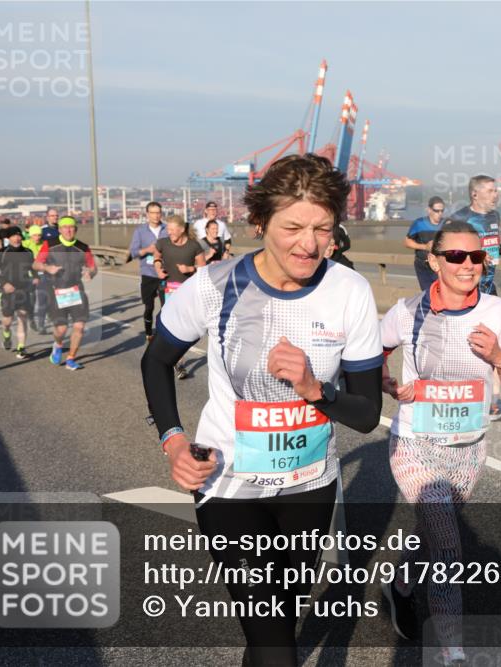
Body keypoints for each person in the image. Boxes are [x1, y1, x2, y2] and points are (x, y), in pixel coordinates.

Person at [140, 153, 383, 667]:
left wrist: (315, 389)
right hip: (228, 483)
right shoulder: (215, 285)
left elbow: (365, 415)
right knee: (273, 637)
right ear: (259, 222)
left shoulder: (350, 291)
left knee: (278, 623)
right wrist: (173, 440)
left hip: (309, 484)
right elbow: (156, 360)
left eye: (322, 228)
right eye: (292, 227)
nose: (309, 244)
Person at [378, 220, 501, 665]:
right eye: (456, 256)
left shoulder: (496, 311)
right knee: (447, 547)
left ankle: (400, 585)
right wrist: (386, 382)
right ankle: (452, 652)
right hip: (415, 444)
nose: (468, 265)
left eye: (476, 256)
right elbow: (371, 353)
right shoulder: (407, 312)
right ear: (434, 261)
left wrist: (498, 356)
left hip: (469, 449)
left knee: (432, 533)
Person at [447, 176, 501, 421]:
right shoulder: (459, 219)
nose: (495, 194)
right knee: (466, 345)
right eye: (490, 190)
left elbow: (491, 245)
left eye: (496, 190)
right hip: (467, 290)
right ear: (475, 194)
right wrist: (474, 257)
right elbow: (446, 253)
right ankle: (459, 397)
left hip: (488, 288)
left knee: (493, 343)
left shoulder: (494, 217)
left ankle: (493, 403)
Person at [33, 216, 97, 370]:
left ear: (76, 229)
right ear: (60, 229)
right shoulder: (50, 244)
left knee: (79, 326)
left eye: (71, 227)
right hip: (56, 291)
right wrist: (47, 268)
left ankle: (71, 358)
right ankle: (58, 345)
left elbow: (93, 267)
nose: (68, 230)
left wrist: (90, 273)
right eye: (65, 227)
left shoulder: (83, 247)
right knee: (61, 329)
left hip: (76, 290)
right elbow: (36, 264)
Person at [153, 215, 205, 380]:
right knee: (170, 323)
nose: (169, 233)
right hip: (167, 289)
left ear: (182, 229)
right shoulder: (163, 243)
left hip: (187, 291)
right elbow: (156, 256)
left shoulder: (194, 246)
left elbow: (203, 268)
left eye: (172, 230)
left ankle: (176, 358)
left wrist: (190, 269)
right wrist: (158, 268)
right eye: (167, 229)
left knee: (185, 327)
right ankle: (175, 361)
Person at [128, 202, 169, 340]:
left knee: (167, 306)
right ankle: (148, 333)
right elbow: (133, 252)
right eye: (153, 213)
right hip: (148, 273)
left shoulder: (167, 229)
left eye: (158, 212)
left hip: (164, 273)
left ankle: (164, 333)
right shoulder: (140, 231)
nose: (156, 215)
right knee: (149, 307)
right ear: (147, 214)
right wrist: (147, 250)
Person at [0, 226, 36, 358]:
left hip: (24, 290)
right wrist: (4, 283)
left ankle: (21, 347)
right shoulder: (2, 253)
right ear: (8, 238)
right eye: (13, 235)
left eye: (19, 235)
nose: (17, 238)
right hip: (7, 291)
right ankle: (6, 335)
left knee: (22, 317)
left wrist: (36, 277)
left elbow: (33, 268)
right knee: (7, 321)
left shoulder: (28, 252)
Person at [404, 196, 445, 290]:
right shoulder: (419, 223)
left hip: (440, 265)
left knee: (440, 291)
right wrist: (425, 246)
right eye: (436, 211)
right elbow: (407, 242)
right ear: (429, 210)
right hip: (423, 265)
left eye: (442, 211)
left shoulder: (446, 224)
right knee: (427, 293)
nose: (440, 214)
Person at [22, 225, 48, 333]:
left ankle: (41, 324)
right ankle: (31, 319)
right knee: (32, 300)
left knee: (43, 299)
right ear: (30, 235)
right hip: (29, 275)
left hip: (42, 274)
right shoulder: (25, 244)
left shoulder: (45, 244)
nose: (37, 237)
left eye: (39, 235)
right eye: (35, 235)